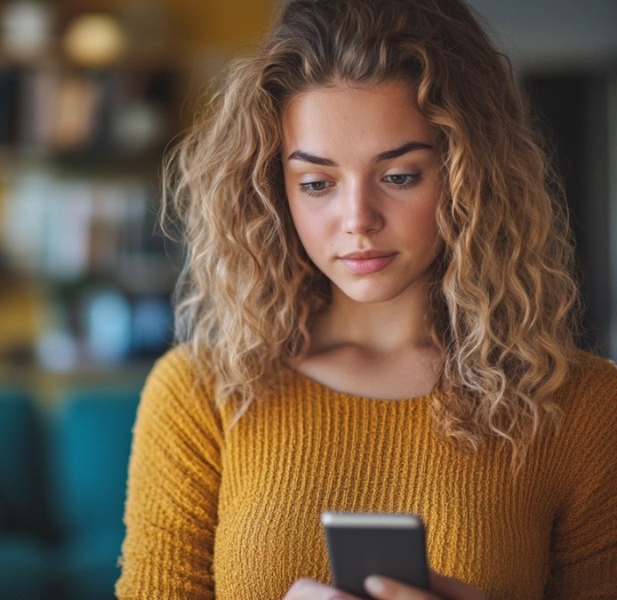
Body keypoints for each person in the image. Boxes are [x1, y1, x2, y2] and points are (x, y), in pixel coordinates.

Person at [115, 0, 617, 598]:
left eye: (399, 175)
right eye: (317, 183)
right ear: (274, 191)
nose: (358, 220)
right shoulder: (201, 395)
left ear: (471, 176)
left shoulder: (583, 409)